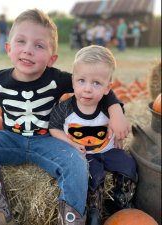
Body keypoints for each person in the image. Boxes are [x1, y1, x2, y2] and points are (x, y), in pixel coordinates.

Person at [0, 9, 130, 225]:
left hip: (48, 140)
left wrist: (116, 111)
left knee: (76, 162)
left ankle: (72, 219)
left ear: (52, 58)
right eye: (21, 42)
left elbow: (92, 82)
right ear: (8, 47)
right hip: (10, 140)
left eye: (38, 45)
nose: (28, 50)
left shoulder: (58, 79)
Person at [49, 45, 137, 225]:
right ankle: (94, 209)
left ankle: (122, 200)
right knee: (93, 175)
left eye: (96, 83)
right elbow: (54, 128)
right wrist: (71, 144)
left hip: (108, 149)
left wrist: (119, 136)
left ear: (107, 88)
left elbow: (117, 124)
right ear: (73, 81)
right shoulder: (64, 108)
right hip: (83, 153)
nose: (87, 89)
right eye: (81, 81)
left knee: (128, 165)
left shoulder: (108, 107)